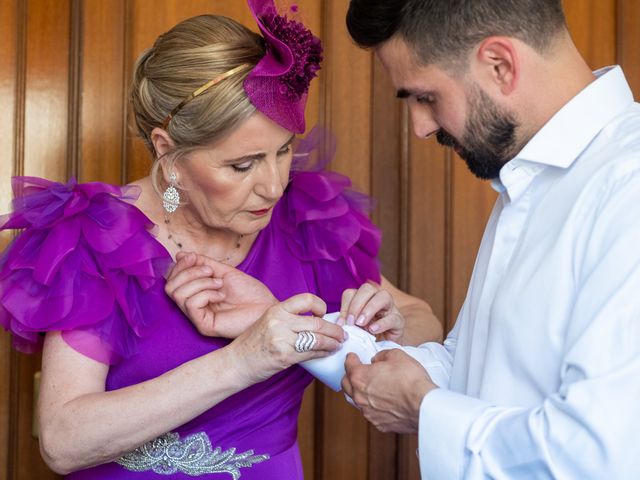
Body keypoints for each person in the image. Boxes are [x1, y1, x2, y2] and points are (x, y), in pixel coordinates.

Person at [0, 0, 441, 478]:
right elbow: (64, 441)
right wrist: (244, 360)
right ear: (168, 153)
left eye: (284, 150)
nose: (274, 185)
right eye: (242, 165)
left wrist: (375, 327)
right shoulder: (95, 236)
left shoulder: (305, 218)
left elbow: (422, 321)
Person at [341, 0, 640, 478]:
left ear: (500, 65)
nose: (420, 127)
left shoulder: (628, 189)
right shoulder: (529, 176)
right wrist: (310, 335)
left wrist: (424, 410)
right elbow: (478, 369)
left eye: (426, 97)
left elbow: (598, 455)